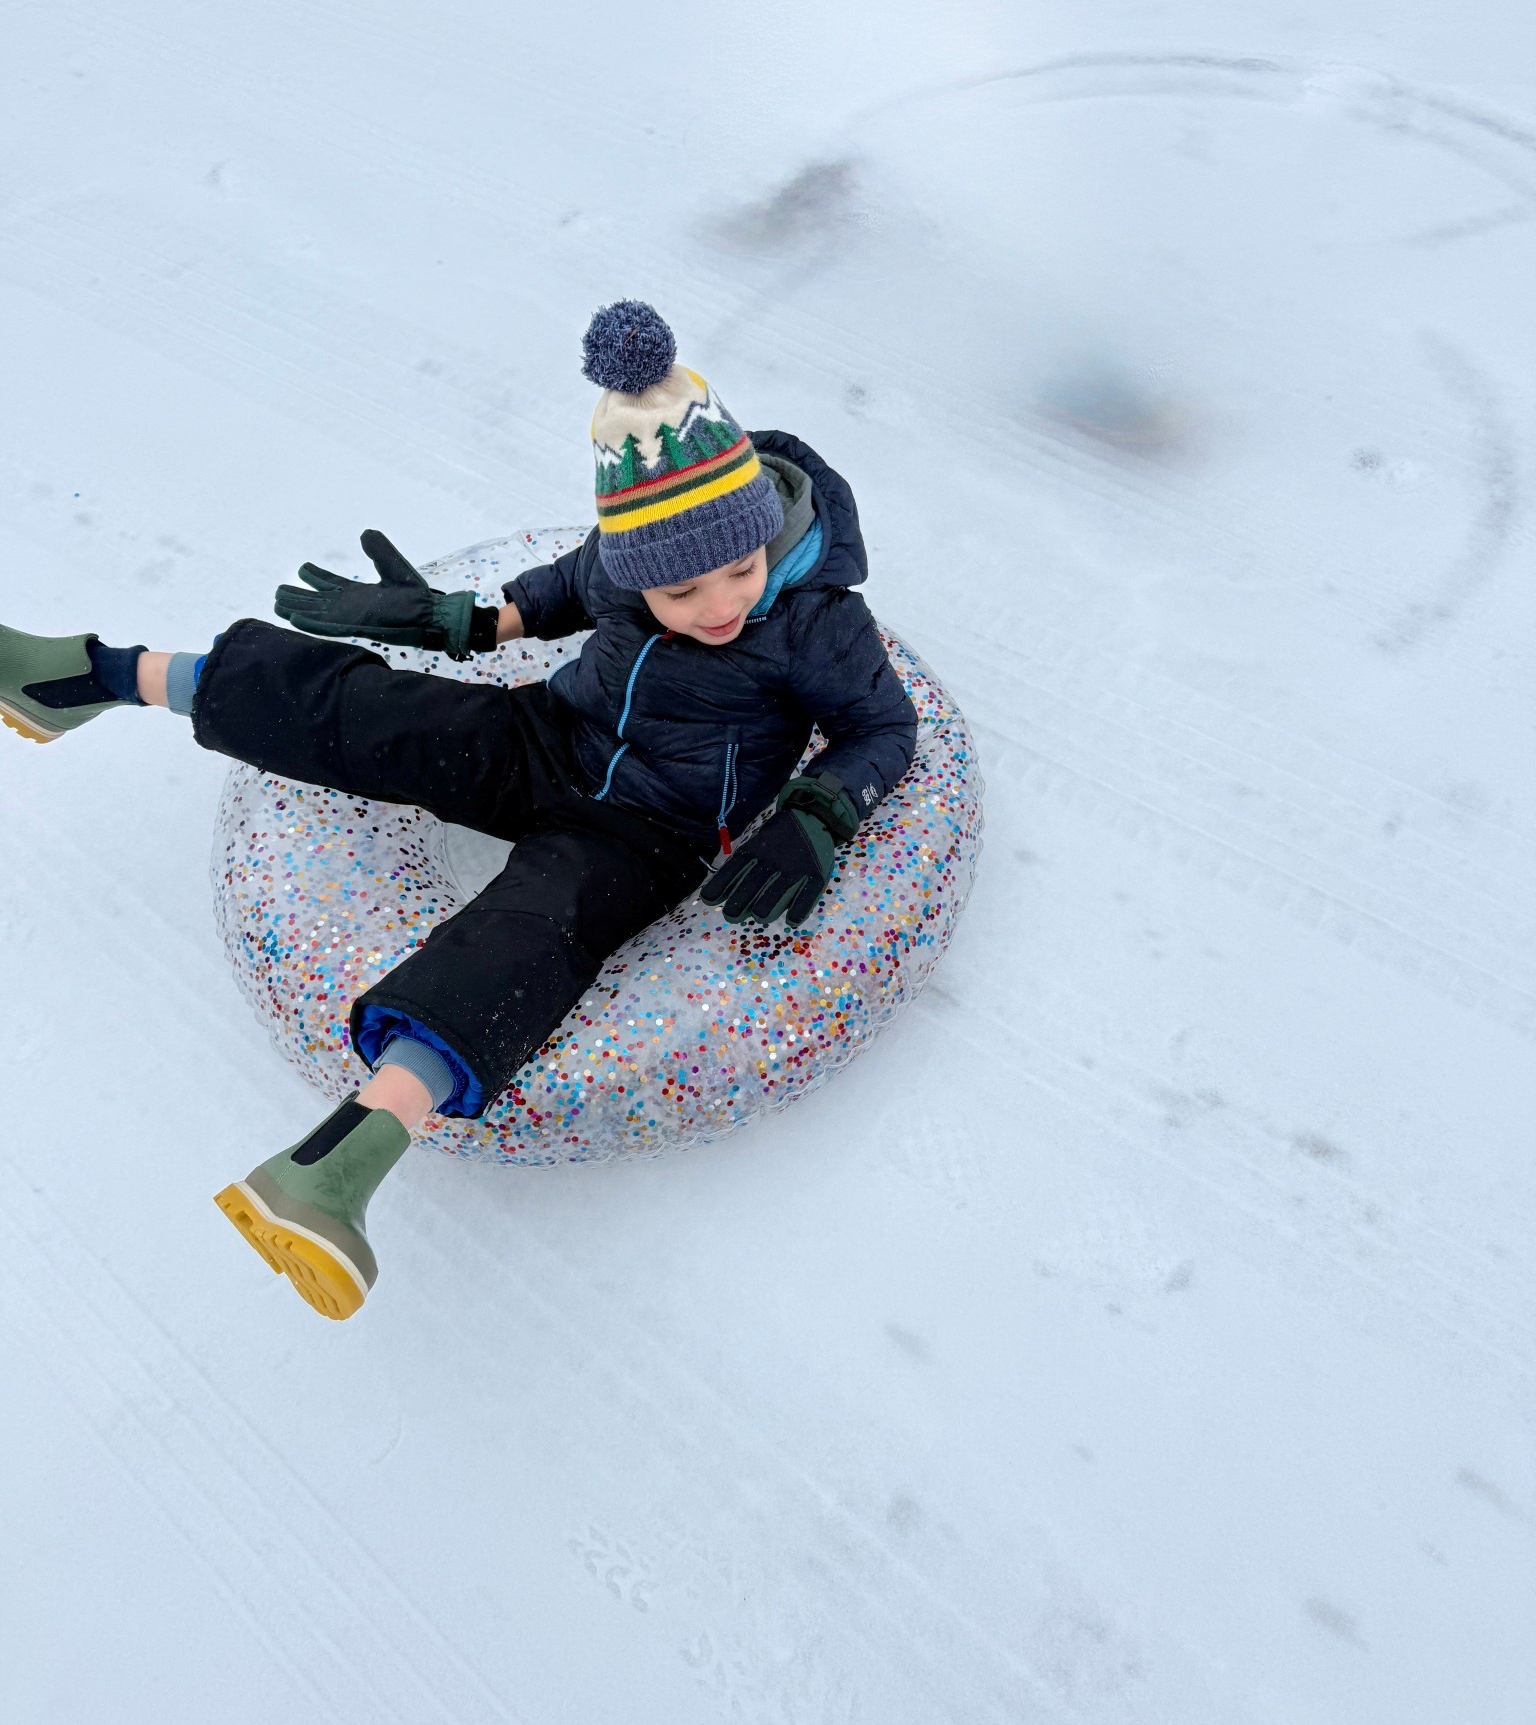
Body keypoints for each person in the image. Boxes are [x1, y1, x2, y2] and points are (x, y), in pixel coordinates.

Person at [0, 301, 916, 1320]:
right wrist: (445, 620)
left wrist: (819, 812)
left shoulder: (817, 621)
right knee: (373, 709)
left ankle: (339, 1162)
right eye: (681, 588)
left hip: (648, 831)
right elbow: (546, 599)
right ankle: (89, 674)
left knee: (534, 927)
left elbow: (886, 729)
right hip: (548, 738)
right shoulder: (622, 561)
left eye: (739, 569)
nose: (718, 604)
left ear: (763, 537)